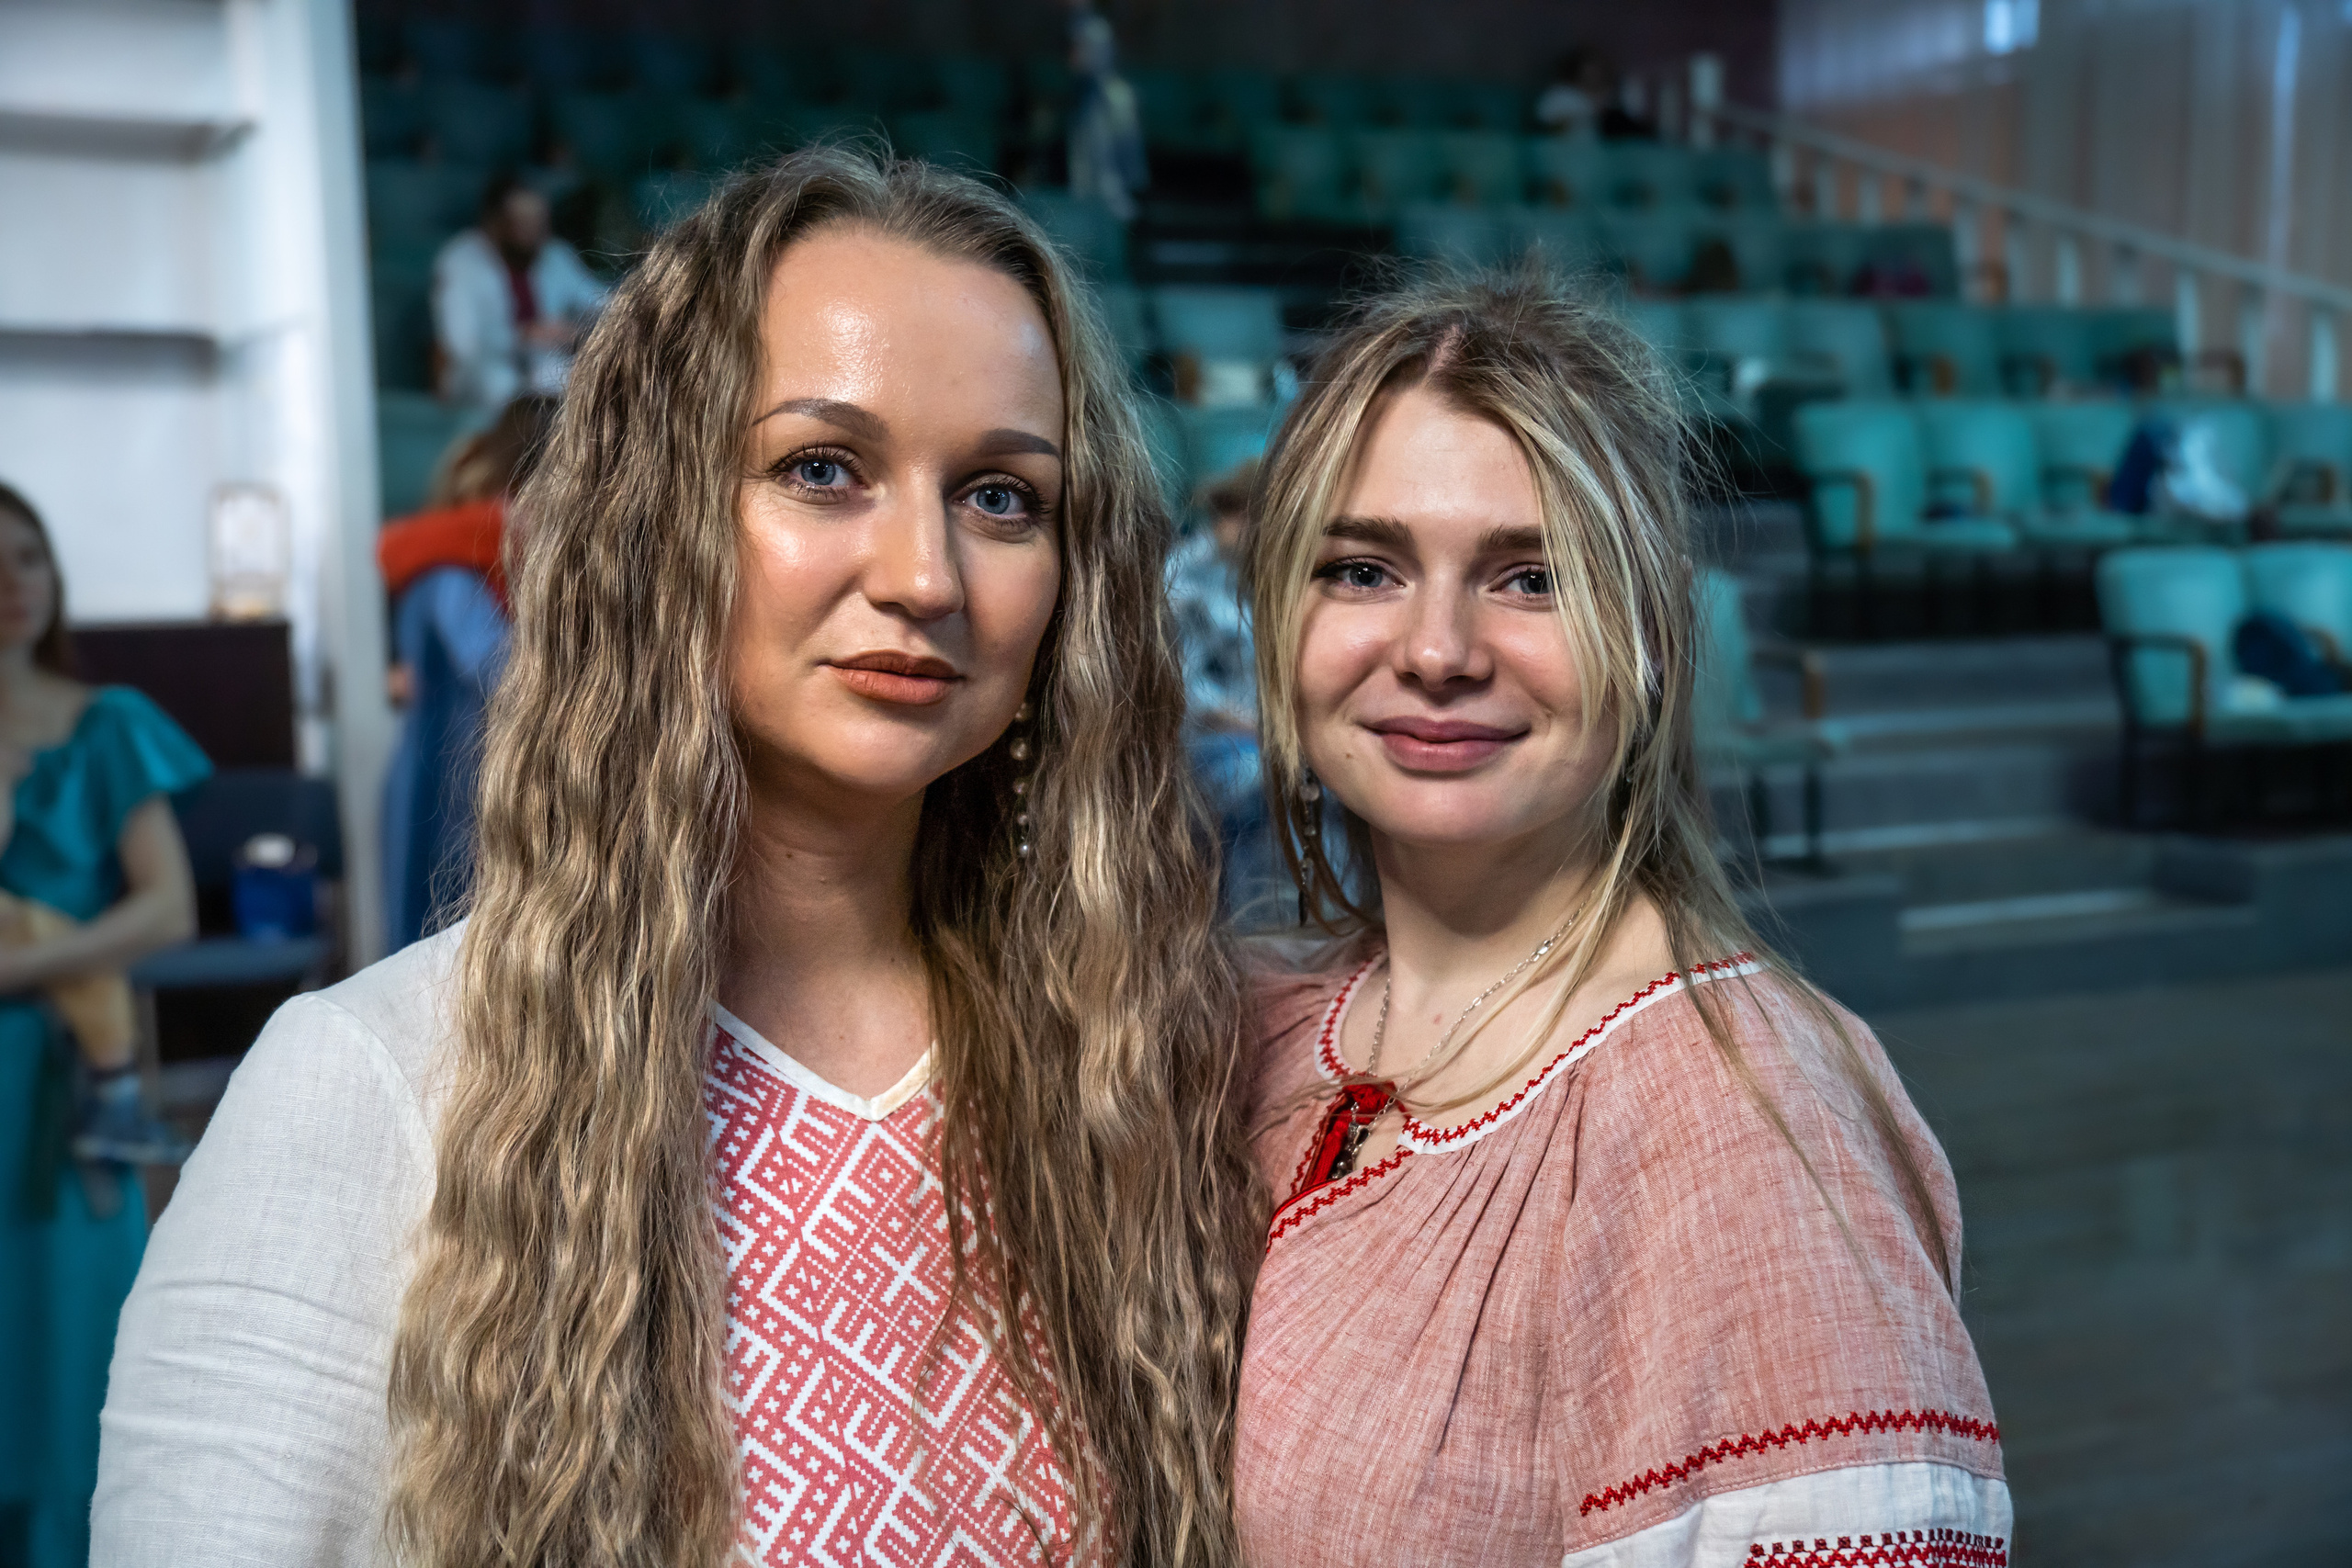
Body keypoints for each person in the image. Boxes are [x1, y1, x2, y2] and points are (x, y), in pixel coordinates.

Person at [95, 149, 1260, 1568]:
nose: (924, 575)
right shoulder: (367, 1086)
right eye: (821, 469)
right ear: (661, 517)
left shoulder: (1136, 1058)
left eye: (1003, 496)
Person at [1232, 269, 2009, 1563]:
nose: (1436, 649)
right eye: (1362, 569)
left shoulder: (1744, 1117)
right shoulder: (1254, 1021)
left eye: (1530, 577)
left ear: (1646, 635)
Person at [0, 482, 207, 1568]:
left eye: (29, 557)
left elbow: (167, 908)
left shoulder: (105, 722)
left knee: (73, 1346)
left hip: (65, 1082)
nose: (12, 583)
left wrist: (28, 965)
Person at [378, 394, 557, 951]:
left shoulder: (462, 556)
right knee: (445, 961)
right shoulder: (455, 564)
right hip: (453, 800)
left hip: (462, 789)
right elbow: (500, 674)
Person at [1168, 459, 1279, 920]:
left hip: (1257, 731)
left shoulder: (1252, 576)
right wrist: (1258, 729)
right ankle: (1244, 926)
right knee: (1256, 777)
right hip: (1201, 741)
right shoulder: (1183, 578)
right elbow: (1183, 691)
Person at [433, 174, 607, 412]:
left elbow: (601, 300)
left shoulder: (553, 254)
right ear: (495, 222)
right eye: (522, 224)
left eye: (538, 223)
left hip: (541, 363)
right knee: (500, 384)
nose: (533, 233)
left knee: (579, 381)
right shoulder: (459, 261)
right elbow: (462, 344)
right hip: (480, 371)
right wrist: (524, 335)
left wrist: (580, 331)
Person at [1066, 6, 1148, 221]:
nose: (1073, 55)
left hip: (1109, 199)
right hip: (1089, 201)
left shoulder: (1115, 97)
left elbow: (1121, 160)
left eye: (1079, 48)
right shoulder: (1085, 97)